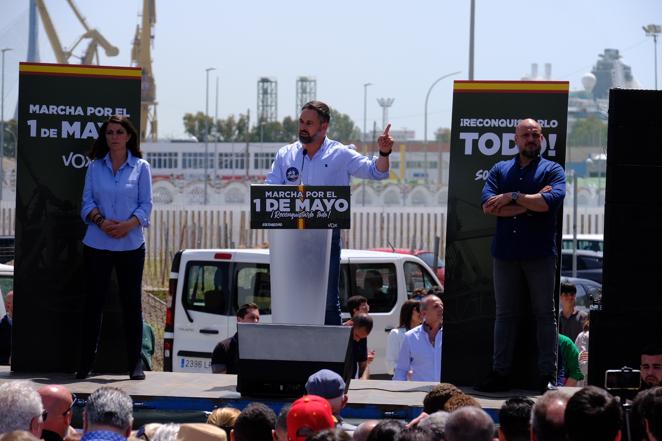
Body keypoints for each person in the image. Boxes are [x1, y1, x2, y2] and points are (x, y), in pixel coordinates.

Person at [265, 100, 393, 325]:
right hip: (290, 238)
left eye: (309, 123)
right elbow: (270, 191)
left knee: (326, 299)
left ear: (323, 127)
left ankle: (328, 357)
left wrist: (384, 152)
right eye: (301, 122)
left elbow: (376, 172)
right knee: (291, 297)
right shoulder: (286, 154)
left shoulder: (340, 154)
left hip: (326, 237)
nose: (303, 127)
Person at [478, 118, 566, 394]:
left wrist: (513, 196)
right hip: (505, 254)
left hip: (540, 255)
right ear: (515, 139)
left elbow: (547, 203)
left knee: (545, 315)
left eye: (535, 135)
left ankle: (546, 376)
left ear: (542, 139)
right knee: (505, 315)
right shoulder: (499, 169)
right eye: (526, 134)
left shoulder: (553, 170)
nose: (531, 139)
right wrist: (528, 204)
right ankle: (500, 373)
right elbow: (488, 206)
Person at [78, 115, 153, 381]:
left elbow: (146, 205)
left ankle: (135, 364)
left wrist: (128, 225)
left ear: (129, 136)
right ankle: (85, 363)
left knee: (131, 304)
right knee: (93, 303)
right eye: (109, 132)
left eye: (119, 132)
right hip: (97, 243)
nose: (114, 136)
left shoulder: (141, 167)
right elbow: (86, 203)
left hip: (131, 244)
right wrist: (100, 221)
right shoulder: (95, 167)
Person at [393, 295, 443, 382]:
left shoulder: (454, 335)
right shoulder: (410, 337)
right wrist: (399, 393)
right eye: (436, 306)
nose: (441, 308)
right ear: (424, 313)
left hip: (446, 392)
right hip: (419, 392)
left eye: (442, 305)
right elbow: (401, 370)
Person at [211, 303, 260, 374]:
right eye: (252, 318)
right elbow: (219, 378)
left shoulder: (263, 347)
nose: (256, 321)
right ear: (239, 320)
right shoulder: (222, 348)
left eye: (258, 318)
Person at [385, 300, 421, 375]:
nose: (422, 312)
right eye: (418, 309)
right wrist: (408, 371)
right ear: (409, 311)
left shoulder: (425, 334)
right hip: (404, 382)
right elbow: (390, 365)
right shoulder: (396, 334)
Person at [350, 313, 374, 379]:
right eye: (356, 335)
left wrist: (363, 380)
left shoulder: (362, 337)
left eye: (361, 338)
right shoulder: (337, 334)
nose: (358, 340)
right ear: (350, 324)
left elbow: (364, 365)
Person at [0, 290, 13, 364]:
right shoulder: (2, 325)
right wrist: (8, 360)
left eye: (9, 303)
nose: (7, 305)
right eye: (7, 303)